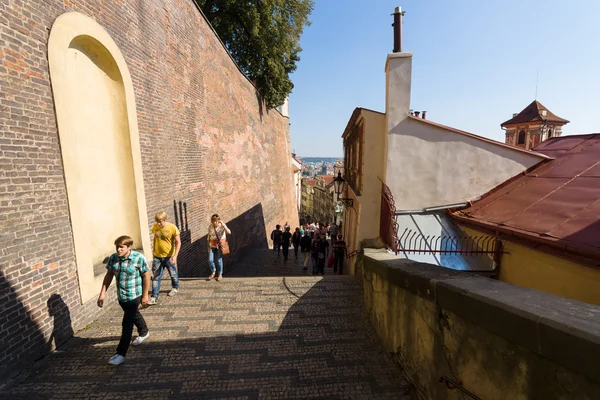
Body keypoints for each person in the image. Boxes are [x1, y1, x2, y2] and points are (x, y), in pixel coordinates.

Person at [97, 235, 150, 365]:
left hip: (134, 295)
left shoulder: (138, 258)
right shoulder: (113, 258)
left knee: (127, 323)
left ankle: (121, 353)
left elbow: (146, 276)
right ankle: (144, 331)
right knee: (133, 315)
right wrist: (102, 293)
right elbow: (109, 275)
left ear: (129, 247)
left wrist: (145, 295)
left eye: (121, 247)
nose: (119, 250)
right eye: (117, 247)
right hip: (122, 296)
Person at [148, 211, 181, 305]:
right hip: (157, 256)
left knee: (173, 274)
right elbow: (155, 239)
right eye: (157, 221)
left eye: (160, 221)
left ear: (164, 219)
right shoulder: (155, 227)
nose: (158, 223)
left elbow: (178, 242)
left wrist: (175, 256)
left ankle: (175, 287)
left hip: (169, 256)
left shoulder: (172, 227)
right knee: (156, 277)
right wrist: (153, 252)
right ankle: (154, 297)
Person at [207, 213, 231, 281]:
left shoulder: (222, 226)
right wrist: (208, 246)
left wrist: (224, 225)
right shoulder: (210, 227)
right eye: (213, 221)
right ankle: (213, 271)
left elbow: (229, 232)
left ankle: (220, 274)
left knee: (219, 260)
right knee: (210, 260)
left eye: (215, 221)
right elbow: (208, 237)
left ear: (218, 221)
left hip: (220, 245)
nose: (214, 223)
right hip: (212, 245)